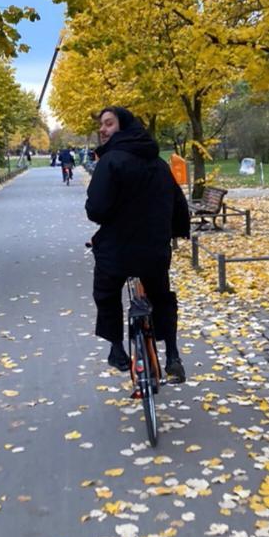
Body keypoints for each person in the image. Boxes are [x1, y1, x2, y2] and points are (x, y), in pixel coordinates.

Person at [85, 105, 190, 382]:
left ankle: (117, 350)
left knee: (106, 293)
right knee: (161, 297)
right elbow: (178, 202)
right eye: (102, 125)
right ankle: (172, 356)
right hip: (154, 249)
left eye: (108, 124)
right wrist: (177, 231)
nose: (102, 129)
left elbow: (96, 209)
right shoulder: (158, 163)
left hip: (117, 250)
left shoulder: (111, 161)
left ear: (123, 126)